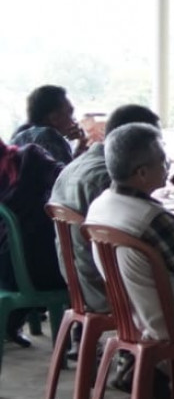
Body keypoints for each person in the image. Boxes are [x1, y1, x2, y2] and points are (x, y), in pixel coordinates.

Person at [84, 123, 174, 344]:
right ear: (142, 173)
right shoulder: (154, 219)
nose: (167, 165)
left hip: (136, 317)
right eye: (163, 160)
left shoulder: (100, 204)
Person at [48, 104, 162, 314]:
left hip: (77, 282)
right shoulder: (107, 180)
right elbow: (142, 238)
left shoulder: (75, 166)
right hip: (105, 289)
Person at [0, 132, 64, 346]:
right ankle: (82, 339)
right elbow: (64, 179)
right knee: (88, 268)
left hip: (8, 271)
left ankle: (11, 320)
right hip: (31, 272)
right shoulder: (30, 157)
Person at [10, 85, 86, 167]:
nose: (74, 121)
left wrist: (80, 145)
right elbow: (68, 174)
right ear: (54, 118)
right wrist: (82, 145)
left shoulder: (19, 136)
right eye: (70, 113)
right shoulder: (48, 136)